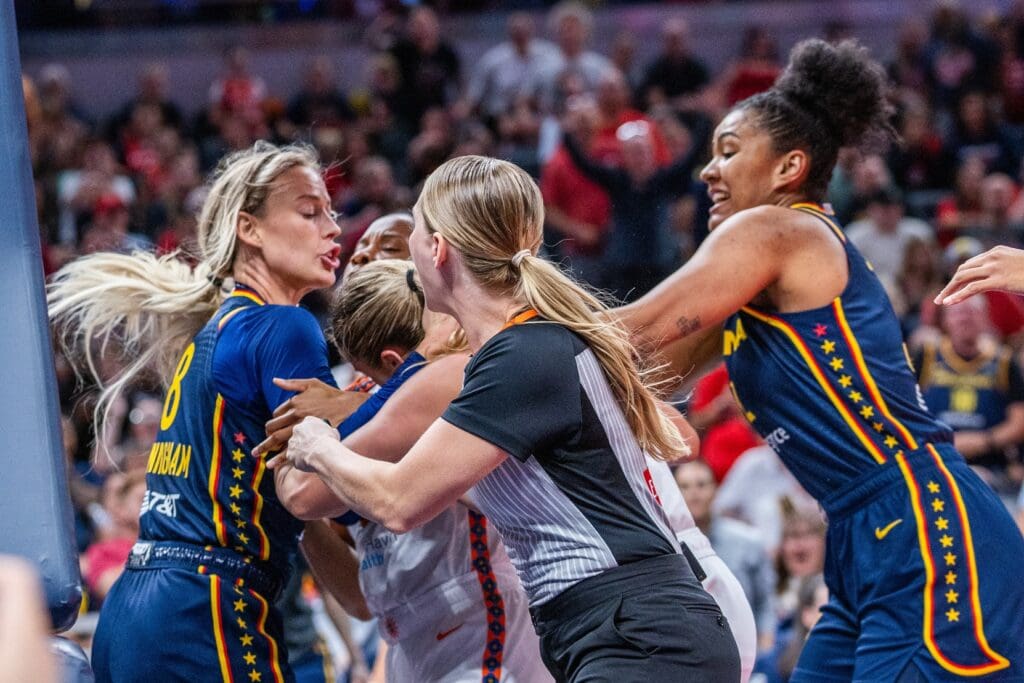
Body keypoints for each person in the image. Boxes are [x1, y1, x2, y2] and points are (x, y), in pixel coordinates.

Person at [618, 39, 1024, 680]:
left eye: (728, 151)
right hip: (863, 538)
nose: (707, 172)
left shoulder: (778, 229)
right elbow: (631, 373)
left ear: (789, 167)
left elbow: (629, 334)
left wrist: (491, 316)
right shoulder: (756, 282)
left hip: (924, 527)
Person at [264, 155, 741, 681]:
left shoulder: (517, 356)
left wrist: (316, 445)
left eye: (413, 231)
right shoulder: (534, 342)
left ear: (437, 250)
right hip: (628, 623)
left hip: (636, 626)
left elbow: (397, 502)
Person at [48, 141, 353, 682]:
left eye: (332, 211)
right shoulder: (285, 325)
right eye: (310, 212)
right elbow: (322, 487)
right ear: (249, 229)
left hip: (136, 607)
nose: (333, 227)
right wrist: (392, 407)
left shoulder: (211, 334)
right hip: (208, 609)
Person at [936, 243, 1024, 304]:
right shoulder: (940, 295)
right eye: (958, 262)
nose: (964, 268)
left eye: (970, 261)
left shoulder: (1000, 294)